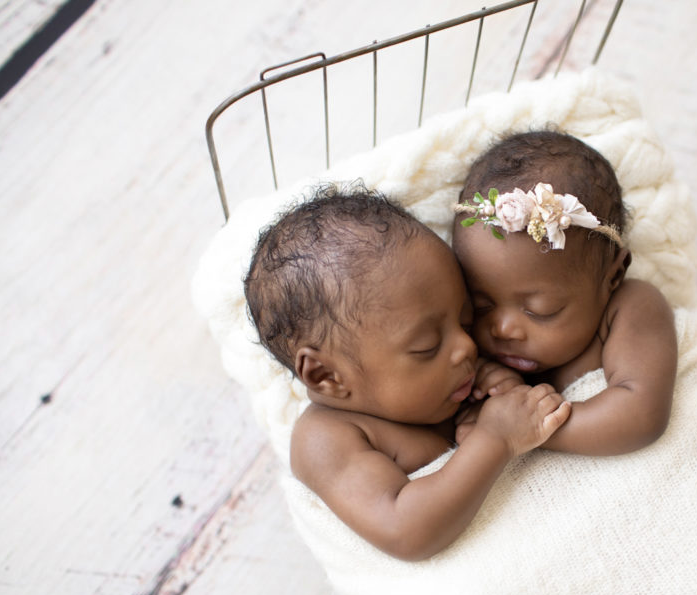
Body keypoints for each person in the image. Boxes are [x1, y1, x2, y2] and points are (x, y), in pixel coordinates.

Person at [244, 184, 571, 561]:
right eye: (427, 346)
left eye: (465, 320)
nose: (466, 346)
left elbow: (529, 417)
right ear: (326, 376)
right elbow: (405, 530)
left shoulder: (461, 375)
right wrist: (495, 439)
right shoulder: (326, 439)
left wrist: (508, 392)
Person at [453, 131, 677, 456]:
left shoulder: (633, 306)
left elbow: (642, 414)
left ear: (612, 277)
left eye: (541, 310)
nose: (503, 328)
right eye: (481, 305)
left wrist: (522, 432)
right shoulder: (475, 357)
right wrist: (498, 396)